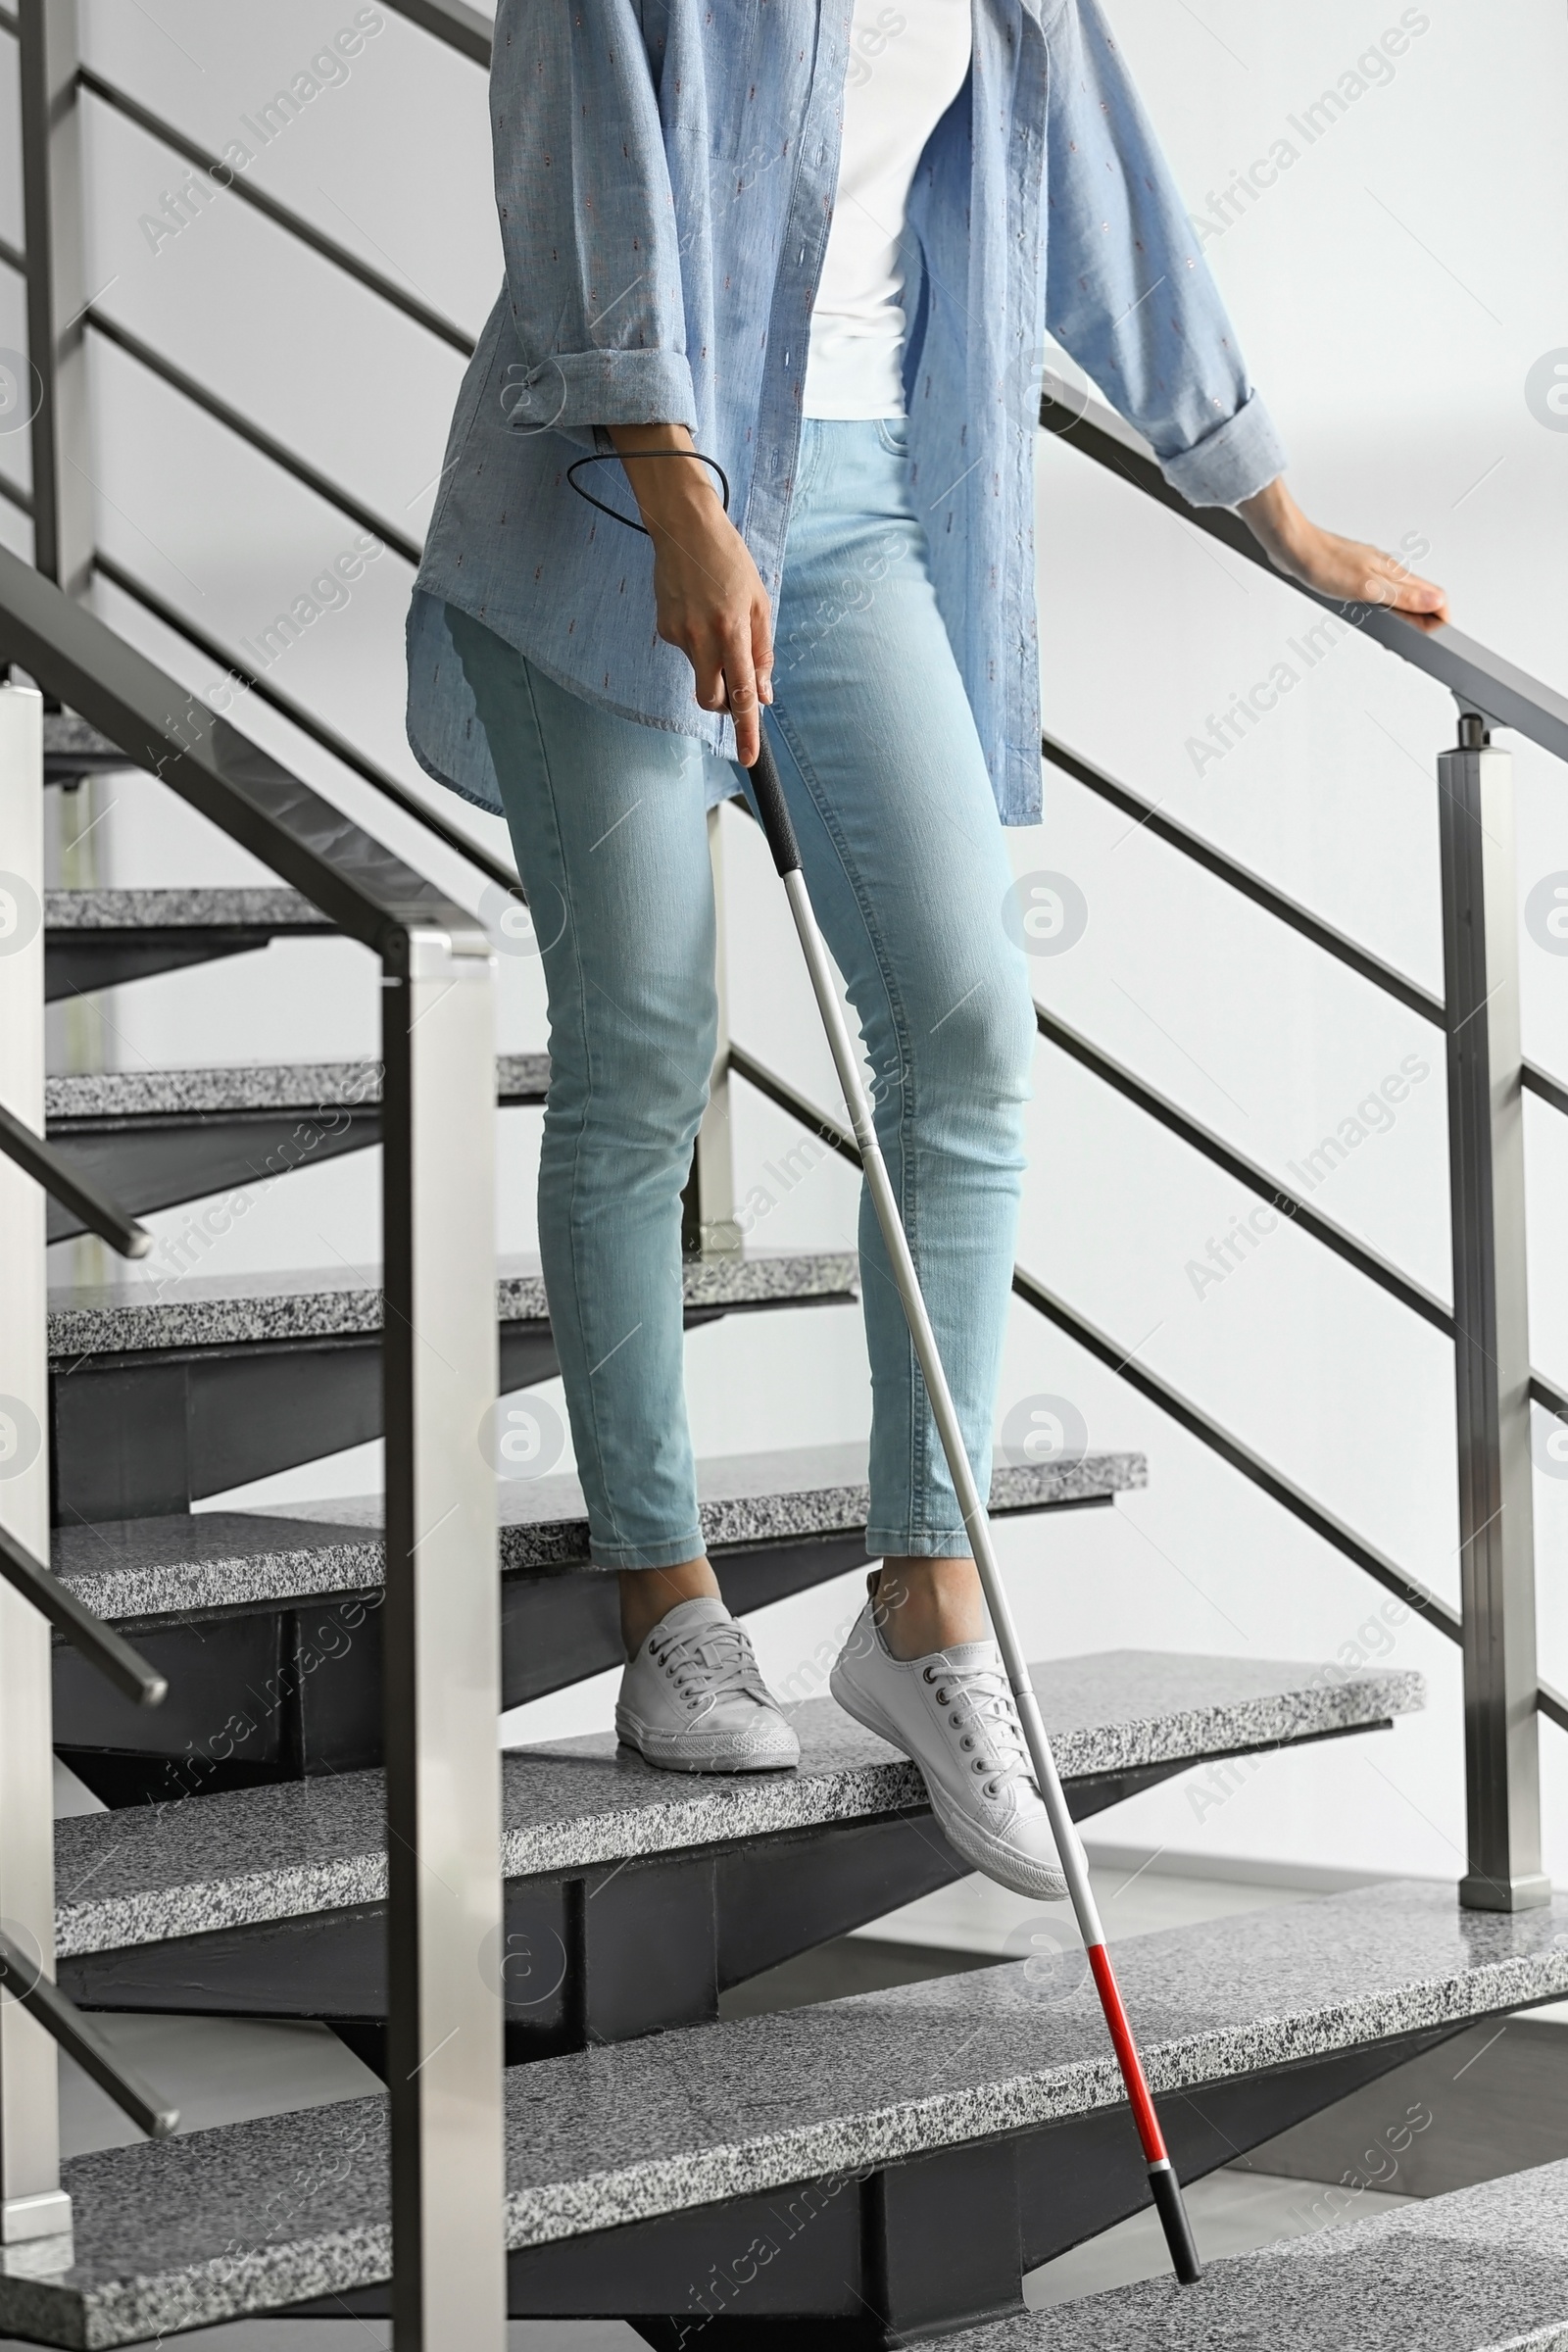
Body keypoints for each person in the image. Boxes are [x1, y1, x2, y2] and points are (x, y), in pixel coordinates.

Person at [406, 0, 1447, 1899]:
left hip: (868, 495)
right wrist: (678, 497)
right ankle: (666, 1600)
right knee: (646, 1041)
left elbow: (1104, 209)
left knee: (964, 1034)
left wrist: (1270, 506)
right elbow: (580, 193)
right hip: (598, 506)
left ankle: (925, 1604)